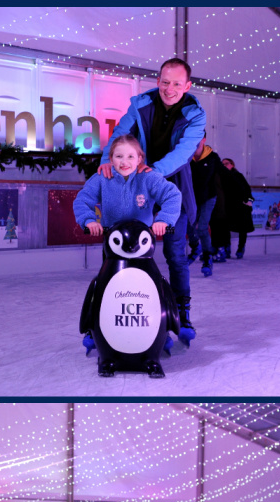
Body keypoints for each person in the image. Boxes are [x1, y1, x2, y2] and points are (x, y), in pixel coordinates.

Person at [98, 58, 206, 344]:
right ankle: (105, 315)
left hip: (173, 194)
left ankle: (182, 313)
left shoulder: (195, 116)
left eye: (176, 84)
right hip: (136, 192)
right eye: (165, 82)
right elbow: (120, 135)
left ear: (188, 86)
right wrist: (106, 162)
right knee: (120, 251)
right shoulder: (140, 105)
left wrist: (152, 172)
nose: (169, 89)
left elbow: (184, 153)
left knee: (175, 256)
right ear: (158, 80)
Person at [76, 135, 181, 240]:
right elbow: (82, 200)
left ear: (139, 159)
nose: (124, 162)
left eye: (130, 156)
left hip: (143, 239)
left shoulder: (149, 178)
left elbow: (172, 195)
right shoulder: (102, 179)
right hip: (113, 239)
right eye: (119, 156)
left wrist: (163, 220)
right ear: (111, 159)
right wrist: (88, 220)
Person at [187, 134, 223, 276]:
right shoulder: (186, 156)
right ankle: (196, 247)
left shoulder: (212, 157)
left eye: (198, 138)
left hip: (208, 197)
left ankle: (207, 258)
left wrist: (247, 195)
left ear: (203, 140)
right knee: (189, 226)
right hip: (191, 198)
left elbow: (227, 175)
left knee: (202, 228)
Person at [216, 158, 254, 259]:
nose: (224, 165)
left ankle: (241, 248)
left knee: (242, 228)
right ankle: (227, 248)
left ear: (232, 164)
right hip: (227, 206)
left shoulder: (238, 175)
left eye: (226, 163)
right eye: (222, 164)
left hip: (241, 205)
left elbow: (246, 189)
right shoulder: (221, 177)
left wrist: (249, 200)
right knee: (226, 228)